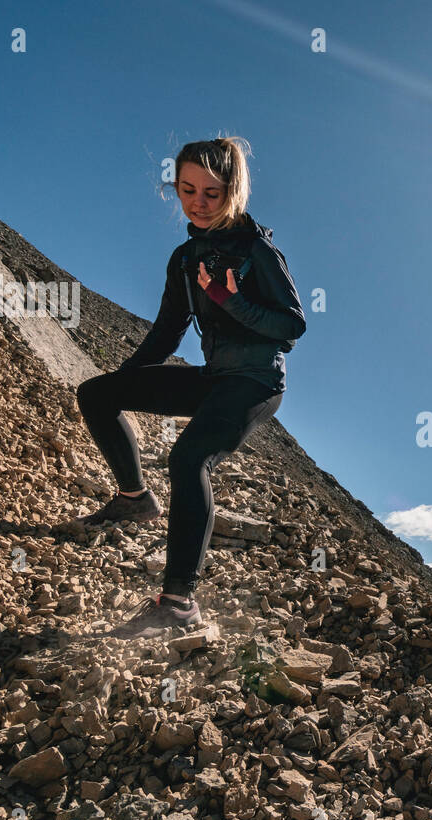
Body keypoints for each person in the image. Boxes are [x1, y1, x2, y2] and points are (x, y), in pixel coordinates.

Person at [73, 137, 306, 638]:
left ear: (234, 191)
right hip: (212, 378)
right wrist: (128, 376)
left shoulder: (258, 249)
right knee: (97, 393)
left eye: (212, 193)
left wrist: (229, 300)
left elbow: (291, 326)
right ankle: (135, 498)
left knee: (187, 458)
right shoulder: (184, 258)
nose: (197, 202)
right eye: (186, 189)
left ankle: (178, 603)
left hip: (256, 382)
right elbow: (167, 330)